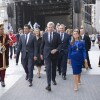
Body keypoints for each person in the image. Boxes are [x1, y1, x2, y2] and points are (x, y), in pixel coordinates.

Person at [40, 22, 61, 91]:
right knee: (48, 68)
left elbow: (60, 44)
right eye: (49, 27)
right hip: (47, 54)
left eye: (51, 27)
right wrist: (41, 54)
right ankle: (48, 84)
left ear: (53, 28)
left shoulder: (57, 35)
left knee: (54, 68)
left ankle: (53, 79)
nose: (50, 28)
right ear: (47, 28)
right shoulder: (44, 35)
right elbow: (42, 45)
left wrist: (56, 49)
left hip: (55, 54)